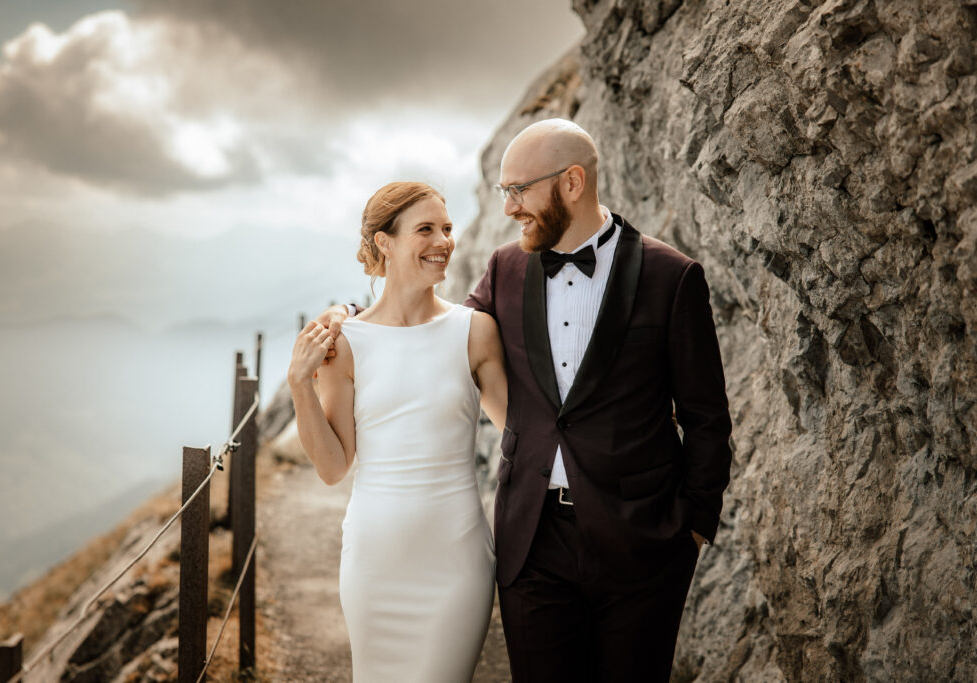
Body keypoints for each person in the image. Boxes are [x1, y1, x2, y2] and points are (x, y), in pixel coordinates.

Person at [317, 118, 733, 682]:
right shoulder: (504, 270)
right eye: (503, 192)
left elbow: (707, 417)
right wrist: (349, 321)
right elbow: (430, 336)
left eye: (519, 190)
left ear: (572, 183)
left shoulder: (672, 276)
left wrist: (693, 526)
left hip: (641, 542)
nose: (509, 208)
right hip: (533, 542)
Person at [287, 181, 508, 683]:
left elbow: (524, 432)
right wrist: (300, 383)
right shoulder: (346, 343)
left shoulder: (475, 332)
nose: (444, 242)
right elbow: (332, 468)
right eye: (425, 229)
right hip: (374, 565)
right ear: (383, 243)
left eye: (447, 229)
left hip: (457, 562)